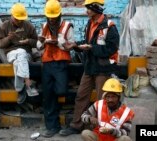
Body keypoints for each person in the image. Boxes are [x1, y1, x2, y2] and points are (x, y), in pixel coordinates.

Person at [59, 0, 120, 136]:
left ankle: (102, 129)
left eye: (88, 8)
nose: (86, 11)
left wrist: (92, 48)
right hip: (90, 67)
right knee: (81, 96)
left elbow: (111, 49)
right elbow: (87, 43)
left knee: (102, 100)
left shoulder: (110, 26)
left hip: (103, 69)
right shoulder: (90, 23)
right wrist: (74, 45)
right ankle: (76, 125)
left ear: (96, 9)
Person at [37, 0, 75, 138]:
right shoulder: (44, 26)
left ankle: (62, 119)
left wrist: (58, 42)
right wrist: (41, 42)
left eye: (54, 16)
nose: (52, 19)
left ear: (59, 14)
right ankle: (52, 127)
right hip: (47, 63)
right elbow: (38, 46)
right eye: (49, 16)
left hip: (61, 63)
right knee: (48, 96)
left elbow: (70, 44)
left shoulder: (67, 26)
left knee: (60, 90)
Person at [0, 3, 39, 104]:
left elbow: (36, 43)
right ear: (12, 16)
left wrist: (28, 41)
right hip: (10, 53)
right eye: (17, 19)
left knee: (19, 58)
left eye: (21, 19)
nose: (19, 21)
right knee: (19, 53)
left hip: (26, 55)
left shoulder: (28, 26)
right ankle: (28, 82)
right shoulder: (4, 26)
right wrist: (8, 38)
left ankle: (19, 90)